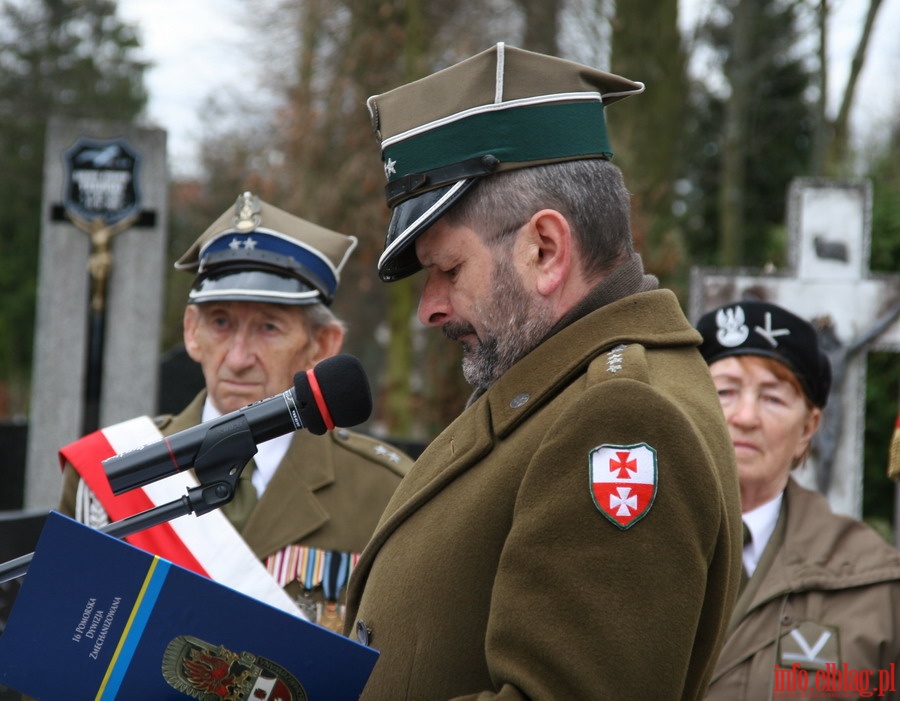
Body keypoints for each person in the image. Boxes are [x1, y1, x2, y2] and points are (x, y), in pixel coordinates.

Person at [342, 43, 743, 700]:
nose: (429, 308)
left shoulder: (619, 414)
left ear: (546, 250)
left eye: (448, 270)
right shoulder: (552, 385)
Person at [58, 191, 413, 632]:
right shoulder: (108, 474)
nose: (239, 357)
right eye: (221, 323)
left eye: (268, 327)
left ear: (321, 346)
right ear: (192, 333)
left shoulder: (384, 492)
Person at [696, 299, 900, 699]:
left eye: (772, 397)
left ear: (809, 427)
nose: (745, 416)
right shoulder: (626, 551)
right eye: (724, 391)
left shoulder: (875, 587)